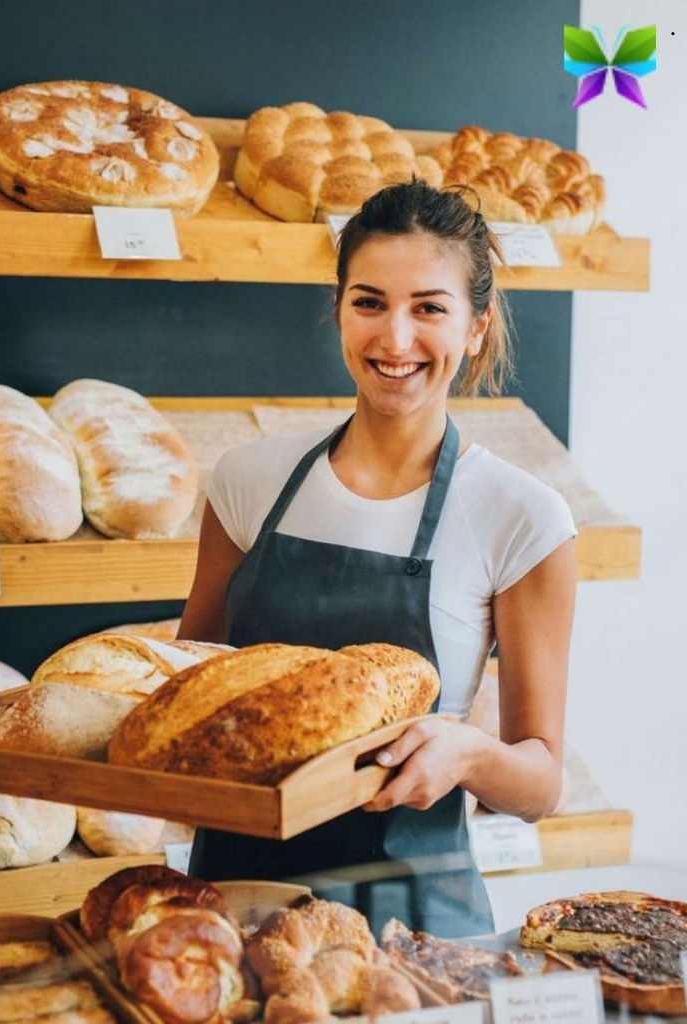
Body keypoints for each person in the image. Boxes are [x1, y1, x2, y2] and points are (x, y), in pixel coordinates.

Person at [176, 179, 578, 938]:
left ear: (476, 328)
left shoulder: (521, 517)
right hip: (233, 915)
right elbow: (191, 687)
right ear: (338, 311)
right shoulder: (250, 481)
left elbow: (541, 781)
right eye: (369, 302)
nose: (394, 340)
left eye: (428, 308)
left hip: (413, 932)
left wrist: (466, 753)